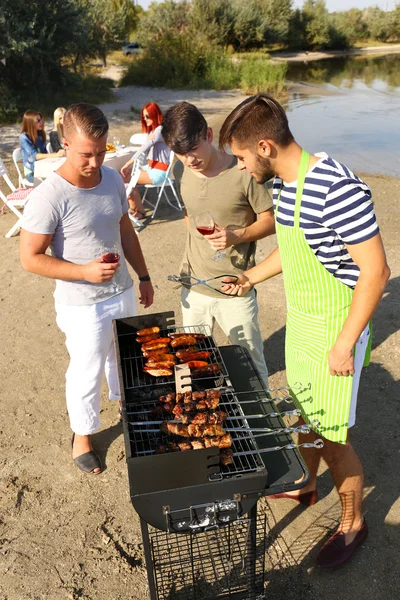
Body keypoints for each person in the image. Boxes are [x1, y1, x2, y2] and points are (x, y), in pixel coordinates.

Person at [219, 93, 390, 568]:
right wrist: (250, 277)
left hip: (337, 327)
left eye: (240, 157)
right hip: (303, 323)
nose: (239, 167)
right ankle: (305, 482)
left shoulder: (336, 188)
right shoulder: (284, 185)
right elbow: (294, 250)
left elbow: (376, 273)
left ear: (266, 146)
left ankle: (353, 524)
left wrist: (344, 344)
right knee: (305, 409)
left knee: (334, 438)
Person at [20, 102, 154, 475]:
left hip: (122, 291)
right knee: (87, 368)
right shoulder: (50, 195)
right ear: (64, 143)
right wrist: (82, 272)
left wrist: (142, 276)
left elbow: (124, 229)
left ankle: (127, 409)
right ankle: (82, 435)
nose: (94, 162)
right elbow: (30, 257)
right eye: (85, 154)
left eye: (101, 152)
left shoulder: (111, 178)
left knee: (124, 357)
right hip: (82, 304)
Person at [161, 101, 275, 388]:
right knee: (191, 366)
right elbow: (189, 215)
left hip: (234, 287)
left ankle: (261, 425)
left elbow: (271, 221)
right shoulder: (180, 170)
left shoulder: (243, 171)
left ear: (208, 135)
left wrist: (237, 236)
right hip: (194, 286)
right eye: (180, 153)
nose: (189, 160)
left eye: (194, 150)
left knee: (251, 366)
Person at [120, 102, 171, 221]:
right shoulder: (154, 131)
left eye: (147, 116)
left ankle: (135, 210)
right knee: (127, 176)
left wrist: (127, 163)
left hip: (159, 172)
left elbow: (144, 148)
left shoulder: (159, 130)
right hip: (152, 168)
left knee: (127, 177)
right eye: (143, 117)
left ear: (155, 115)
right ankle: (139, 211)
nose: (145, 119)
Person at [19, 110, 65, 183]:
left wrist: (55, 155)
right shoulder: (24, 137)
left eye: (41, 120)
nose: (41, 122)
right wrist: (56, 155)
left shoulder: (39, 135)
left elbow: (44, 153)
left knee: (62, 177)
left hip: (43, 168)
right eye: (38, 121)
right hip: (32, 172)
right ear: (30, 123)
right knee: (54, 182)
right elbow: (35, 156)